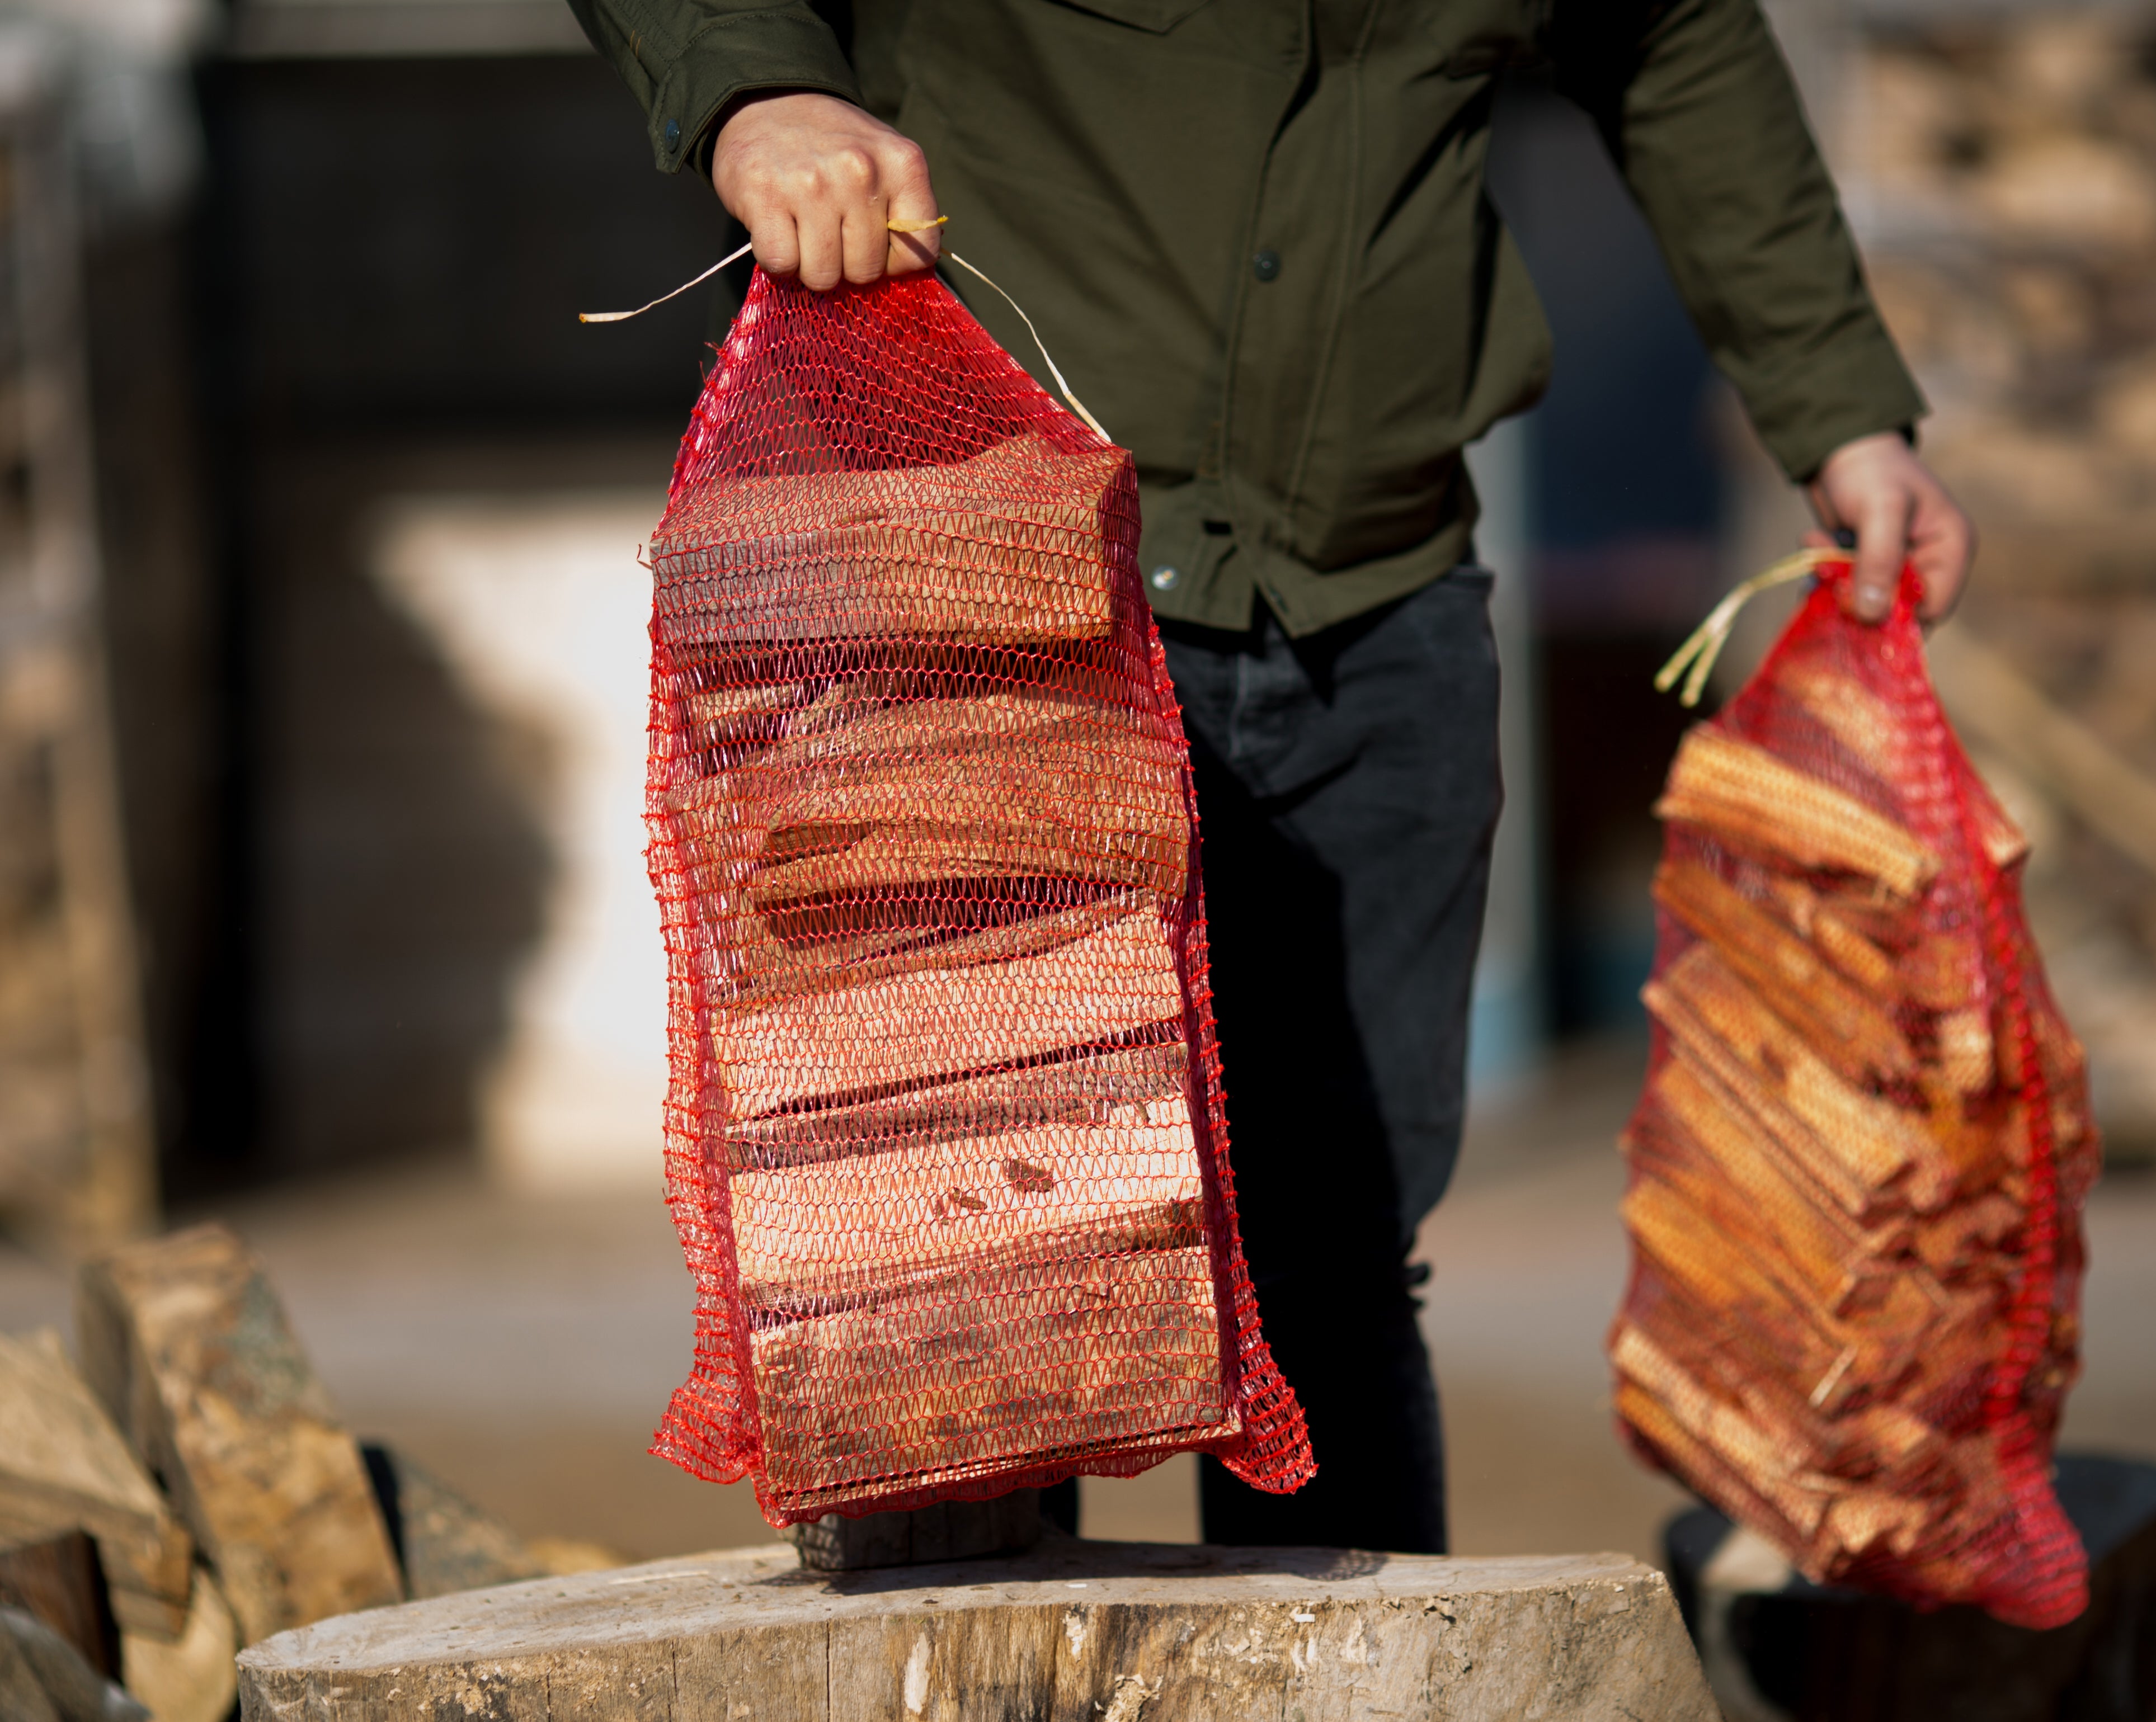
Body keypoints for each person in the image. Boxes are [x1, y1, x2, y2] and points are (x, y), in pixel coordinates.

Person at [564, 0, 1974, 1556]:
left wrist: (1836, 406)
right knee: (963, 1269)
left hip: (1378, 594)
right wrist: (756, 94)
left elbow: (1672, 35)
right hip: (987, 600)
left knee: (1337, 1259)